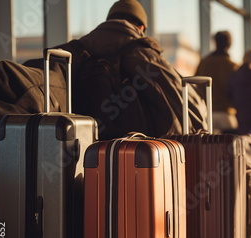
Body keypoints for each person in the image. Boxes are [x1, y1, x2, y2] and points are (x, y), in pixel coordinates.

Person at [40, 0, 207, 139]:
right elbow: (190, 109)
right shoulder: (145, 54)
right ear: (141, 28)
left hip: (76, 153)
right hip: (135, 156)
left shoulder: (71, 51)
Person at [195, 31, 238, 133]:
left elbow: (195, 86)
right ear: (229, 44)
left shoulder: (204, 63)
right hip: (226, 115)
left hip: (206, 115)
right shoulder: (232, 66)